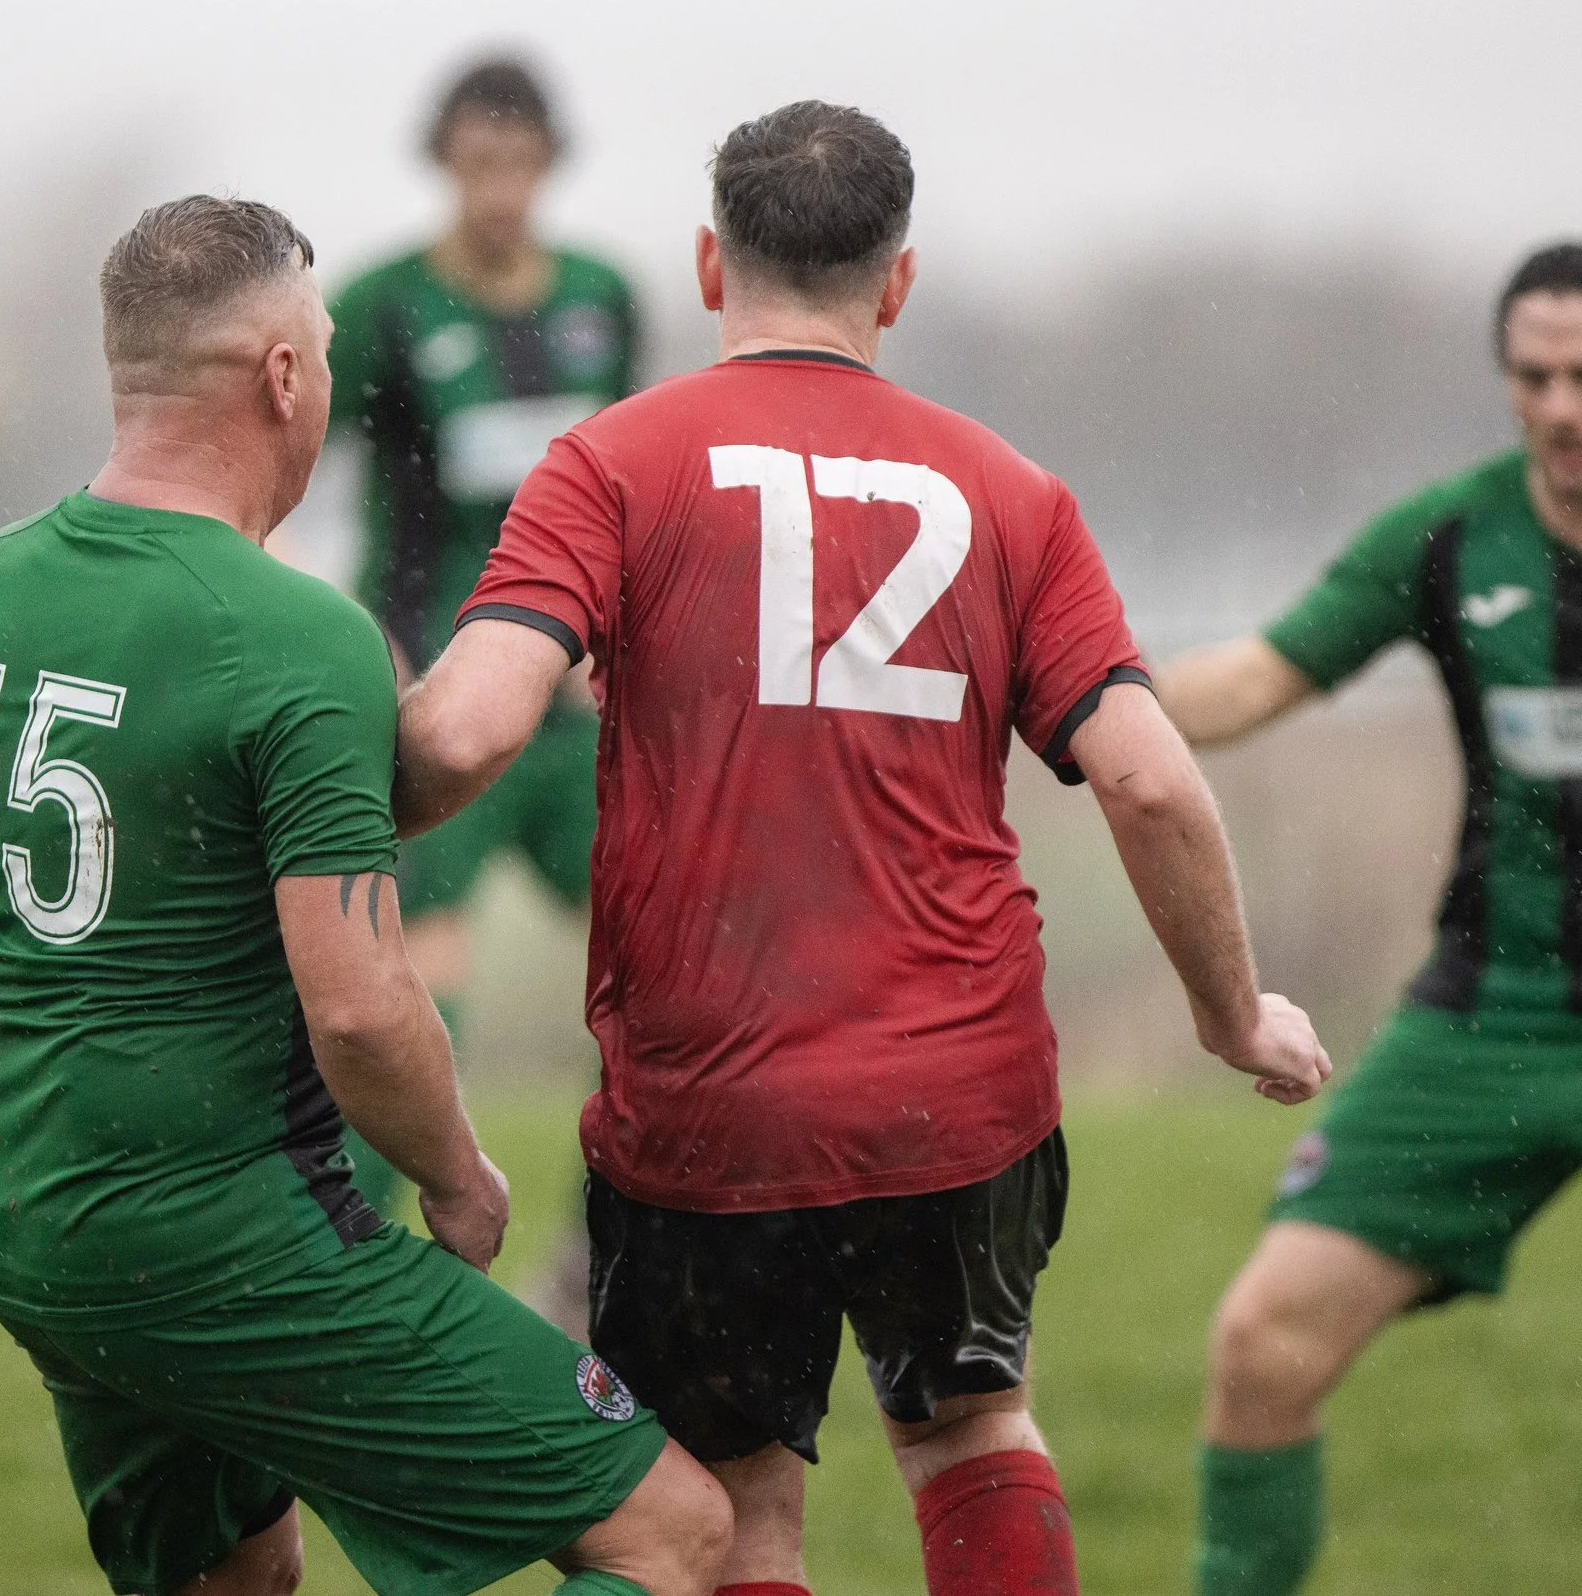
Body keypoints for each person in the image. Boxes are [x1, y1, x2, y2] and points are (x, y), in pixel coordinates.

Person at [392, 103, 1331, 1596]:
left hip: (715, 1100)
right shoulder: (1015, 493)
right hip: (958, 1092)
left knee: (742, 1500)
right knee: (970, 1428)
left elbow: (460, 737)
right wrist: (1234, 1012)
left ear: (710, 264)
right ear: (895, 282)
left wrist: (289, 823)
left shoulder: (610, 465)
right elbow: (1152, 786)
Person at [0, 194, 729, 1596]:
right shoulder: (296, 635)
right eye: (323, 348)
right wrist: (459, 1176)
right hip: (223, 1237)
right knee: (671, 1533)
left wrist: (74, 1017)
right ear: (284, 376)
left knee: (234, 1576)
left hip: (27, 1216)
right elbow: (359, 1009)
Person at [1155, 235, 1582, 1596]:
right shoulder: (1455, 535)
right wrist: (1050, 686)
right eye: (1533, 375)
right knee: (1263, 1343)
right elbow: (1252, 683)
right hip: (1493, 1018)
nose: (1561, 406)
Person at [325, 57, 641, 1206]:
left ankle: (626, 1246)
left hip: (566, 712)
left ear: (549, 162)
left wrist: (624, 630)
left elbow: (628, 484)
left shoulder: (600, 296)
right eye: (477, 163)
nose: (499, 189)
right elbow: (284, 454)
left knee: (662, 980)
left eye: (519, 162)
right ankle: (358, 1257)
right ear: (443, 163)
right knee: (412, 986)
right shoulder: (381, 306)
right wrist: (354, 635)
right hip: (430, 696)